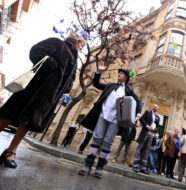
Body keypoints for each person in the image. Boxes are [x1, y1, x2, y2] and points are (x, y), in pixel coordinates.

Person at [0, 33, 85, 168]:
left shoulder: (75, 58)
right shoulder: (58, 43)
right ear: (75, 40)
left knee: (29, 122)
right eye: (81, 44)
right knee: (9, 114)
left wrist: (67, 87)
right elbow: (36, 50)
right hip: (34, 87)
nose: (81, 48)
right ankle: (10, 151)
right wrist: (51, 64)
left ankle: (11, 151)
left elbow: (71, 77)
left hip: (48, 97)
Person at [78, 61, 142, 178]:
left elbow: (138, 102)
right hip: (102, 116)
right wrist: (99, 72)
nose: (119, 75)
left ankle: (100, 167)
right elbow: (96, 84)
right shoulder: (110, 85)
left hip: (115, 120)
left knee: (108, 142)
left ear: (126, 77)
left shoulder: (129, 91)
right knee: (97, 138)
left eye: (121, 74)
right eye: (119, 73)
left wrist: (137, 115)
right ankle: (88, 165)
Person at [132, 105, 160, 174]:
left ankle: (143, 167)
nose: (155, 108)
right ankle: (135, 165)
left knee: (147, 151)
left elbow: (158, 127)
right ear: (152, 107)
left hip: (151, 135)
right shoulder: (148, 112)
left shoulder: (158, 117)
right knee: (140, 148)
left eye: (156, 107)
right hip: (145, 133)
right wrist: (147, 126)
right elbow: (141, 119)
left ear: (157, 109)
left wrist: (154, 130)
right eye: (154, 107)